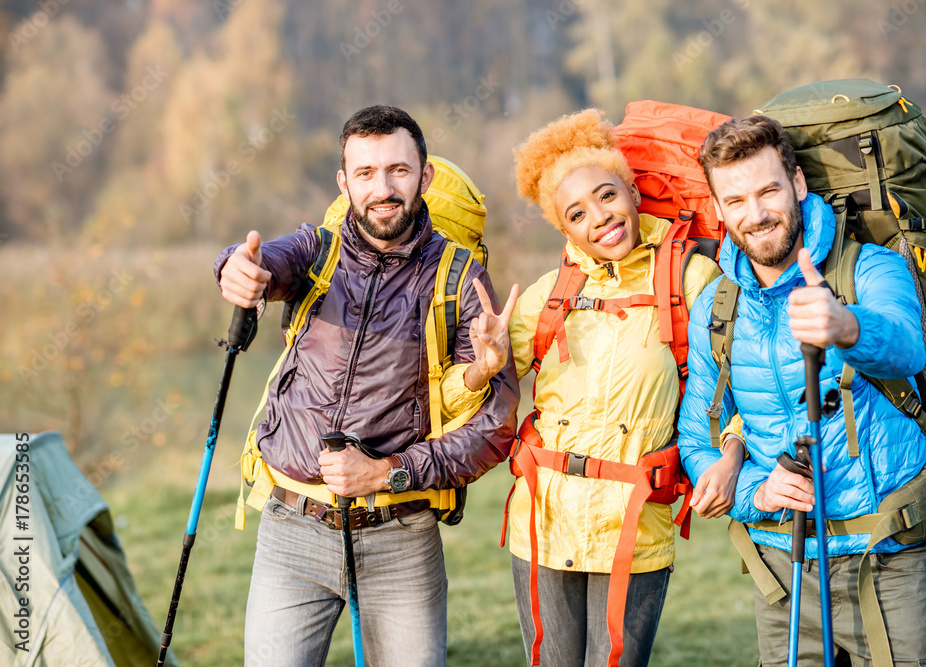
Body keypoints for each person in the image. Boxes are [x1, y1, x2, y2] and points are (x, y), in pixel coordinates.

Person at [214, 105, 520, 667]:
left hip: (400, 539)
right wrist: (238, 269)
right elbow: (269, 262)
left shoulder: (461, 278)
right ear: (344, 181)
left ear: (424, 176)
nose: (383, 188)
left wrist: (388, 471)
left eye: (399, 171)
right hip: (293, 531)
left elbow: (495, 426)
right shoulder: (318, 251)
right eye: (366, 173)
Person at [457, 109, 745, 666]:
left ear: (633, 191)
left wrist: (730, 455)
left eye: (607, 195)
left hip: (634, 525)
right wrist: (482, 367)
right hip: (541, 521)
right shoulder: (547, 295)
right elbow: (462, 397)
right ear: (563, 230)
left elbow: (738, 384)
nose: (601, 218)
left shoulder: (691, 279)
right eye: (578, 214)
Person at [677, 114, 926, 665]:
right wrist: (758, 491)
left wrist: (845, 326)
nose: (756, 214)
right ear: (720, 209)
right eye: (736, 200)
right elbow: (695, 439)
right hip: (781, 563)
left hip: (884, 550)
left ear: (797, 183)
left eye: (769, 190)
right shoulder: (714, 309)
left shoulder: (868, 268)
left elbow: (907, 346)